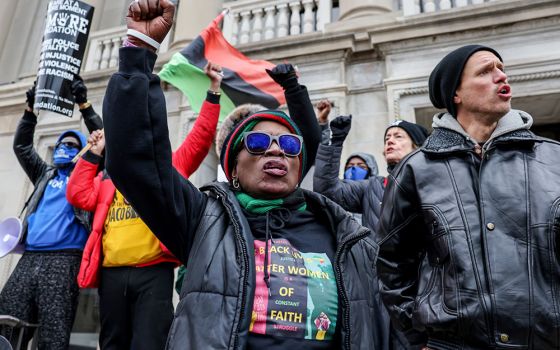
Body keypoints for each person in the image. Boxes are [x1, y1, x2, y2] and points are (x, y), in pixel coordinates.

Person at [103, 1, 379, 349]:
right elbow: (134, 159)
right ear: (232, 168)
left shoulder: (347, 234)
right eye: (259, 142)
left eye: (289, 145)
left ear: (299, 165)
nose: (277, 150)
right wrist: (139, 52)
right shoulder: (203, 220)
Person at [376, 44, 560, 349]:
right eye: (486, 71)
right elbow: (392, 262)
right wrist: (417, 336)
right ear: (455, 94)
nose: (501, 76)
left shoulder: (553, 158)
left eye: (501, 69)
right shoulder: (417, 169)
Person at [66, 62, 223, 349]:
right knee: (112, 342)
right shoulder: (111, 177)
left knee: (150, 343)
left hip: (154, 273)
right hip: (112, 274)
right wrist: (94, 155)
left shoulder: (171, 167)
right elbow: (78, 195)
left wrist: (213, 92)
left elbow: (200, 139)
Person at [0, 79, 103, 349]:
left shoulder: (87, 174)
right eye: (60, 144)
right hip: (29, 258)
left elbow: (104, 140)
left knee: (53, 335)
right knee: (5, 324)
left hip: (64, 261)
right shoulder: (44, 174)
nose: (62, 148)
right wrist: (29, 110)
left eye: (70, 144)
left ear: (80, 150)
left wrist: (85, 105)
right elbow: (22, 147)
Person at [312, 115, 428, 349]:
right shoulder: (374, 186)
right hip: (378, 293)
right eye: (387, 138)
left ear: (417, 145)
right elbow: (327, 190)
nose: (390, 141)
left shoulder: (435, 183)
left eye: (398, 136)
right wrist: (335, 142)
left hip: (421, 293)